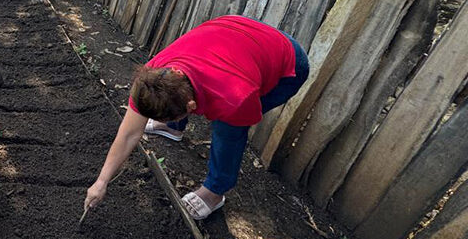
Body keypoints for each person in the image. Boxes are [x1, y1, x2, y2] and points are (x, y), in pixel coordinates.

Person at [84, 15, 309, 220]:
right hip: (236, 31)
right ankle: (173, 128)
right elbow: (128, 134)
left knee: (228, 131)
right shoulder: (154, 76)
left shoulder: (235, 98)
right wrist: (101, 181)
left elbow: (236, 131)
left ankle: (215, 192)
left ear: (192, 107)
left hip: (288, 63)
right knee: (173, 100)